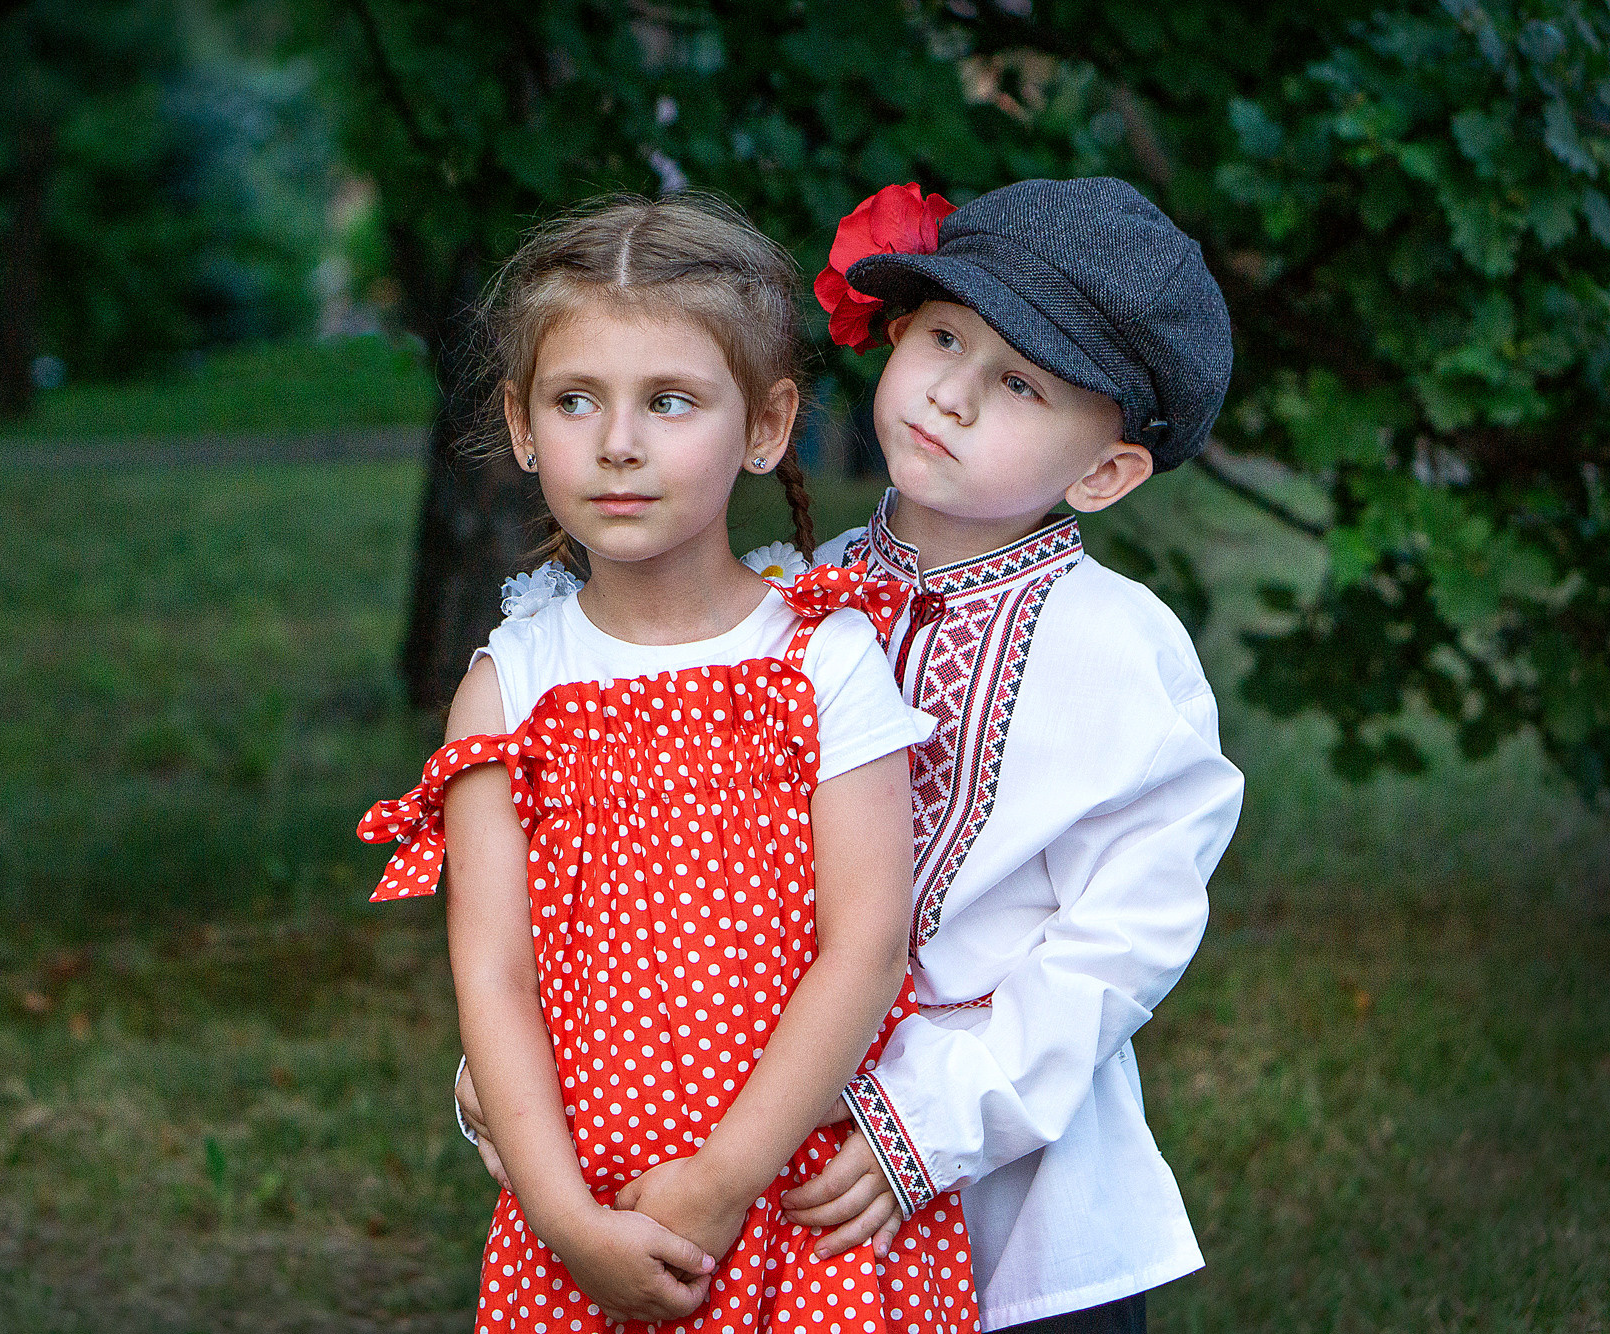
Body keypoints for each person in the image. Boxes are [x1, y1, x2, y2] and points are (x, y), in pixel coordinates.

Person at [463, 176, 1246, 1333]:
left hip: (1008, 1176)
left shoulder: (1121, 651)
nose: (952, 396)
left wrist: (927, 1119)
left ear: (1103, 472)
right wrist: (535, 1073)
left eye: (1019, 384)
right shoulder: (790, 602)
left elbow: (1122, 937)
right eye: (944, 338)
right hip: (766, 1157)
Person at [359, 193, 981, 1334]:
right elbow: (492, 974)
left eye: (670, 400)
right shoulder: (511, 686)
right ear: (522, 424)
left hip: (796, 1200)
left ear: (766, 425)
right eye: (575, 399)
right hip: (592, 1207)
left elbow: (866, 943)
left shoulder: (823, 659)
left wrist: (723, 1179)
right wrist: (562, 1219)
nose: (618, 442)